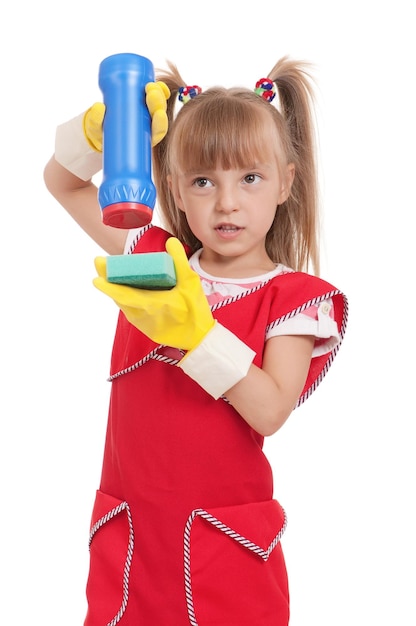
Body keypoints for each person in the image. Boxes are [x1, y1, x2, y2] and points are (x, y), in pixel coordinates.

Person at [44, 55, 348, 626]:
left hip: (224, 553)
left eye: (249, 178)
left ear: (287, 181)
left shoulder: (297, 299)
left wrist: (197, 335)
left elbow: (269, 409)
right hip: (132, 541)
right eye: (203, 181)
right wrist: (98, 134)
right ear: (175, 192)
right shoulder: (154, 258)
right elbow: (63, 182)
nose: (226, 201)